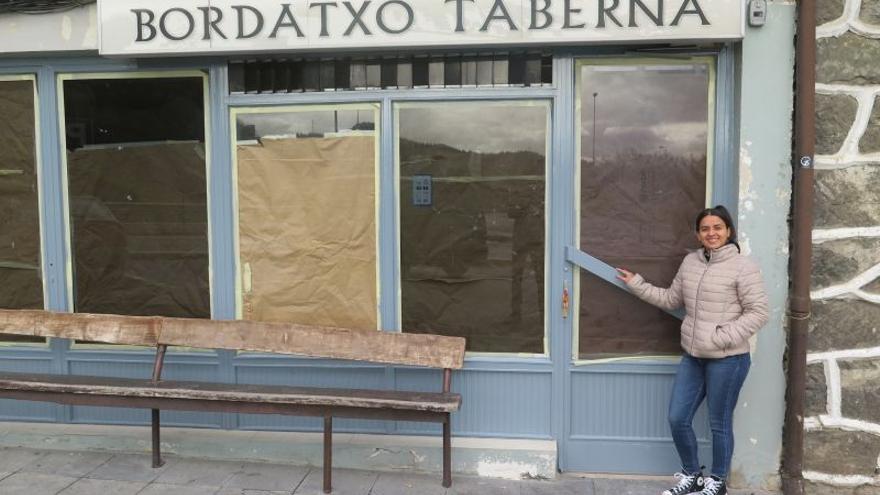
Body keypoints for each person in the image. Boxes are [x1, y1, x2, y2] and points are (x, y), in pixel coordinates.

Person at [615, 205, 769, 495]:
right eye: (705, 228)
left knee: (719, 424)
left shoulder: (743, 266)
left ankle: (718, 482)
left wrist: (721, 337)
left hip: (728, 360)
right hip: (694, 358)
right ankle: (693, 476)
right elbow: (672, 299)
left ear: (729, 232)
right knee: (678, 418)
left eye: (717, 228)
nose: (711, 233)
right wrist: (636, 284)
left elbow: (759, 312)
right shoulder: (690, 262)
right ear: (698, 234)